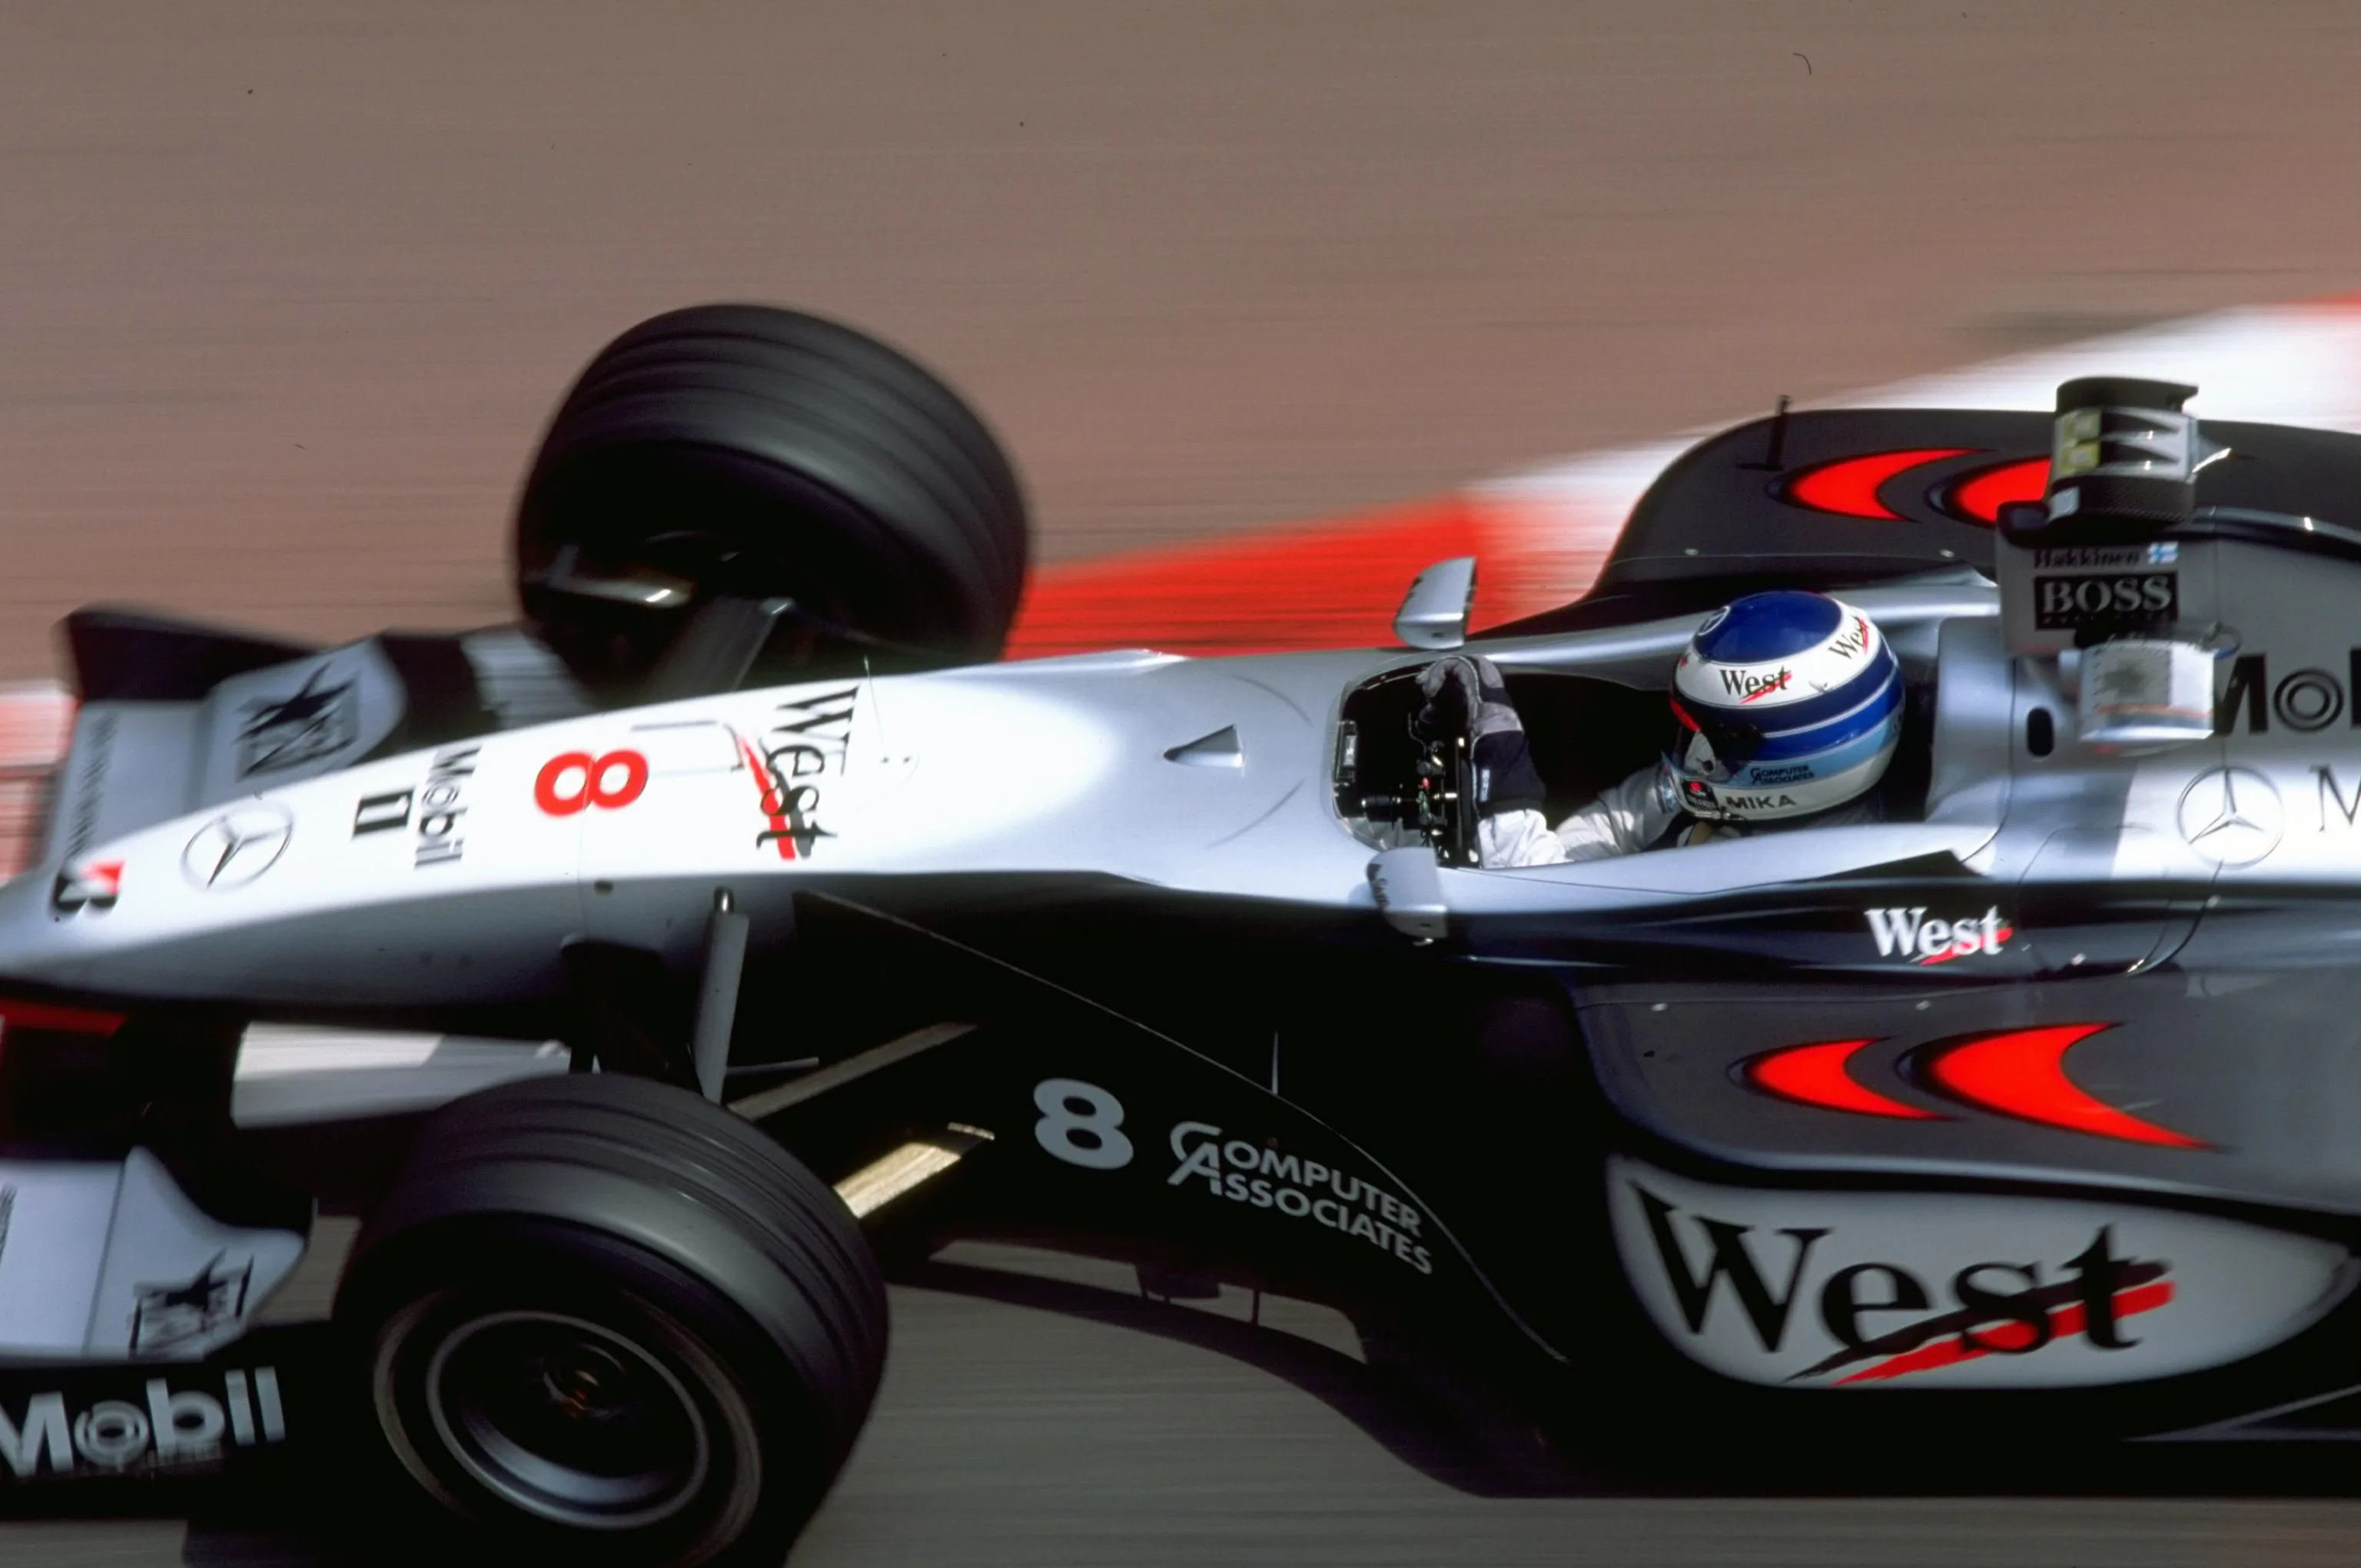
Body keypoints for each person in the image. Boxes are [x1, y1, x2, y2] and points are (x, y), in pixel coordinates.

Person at [1413, 590, 1904, 868]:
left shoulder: (1772, 876)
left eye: (1708, 735)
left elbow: (1541, 901)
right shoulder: (1721, 795)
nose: (1691, 753)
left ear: (1789, 758)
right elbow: (1616, 822)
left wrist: (1503, 786)